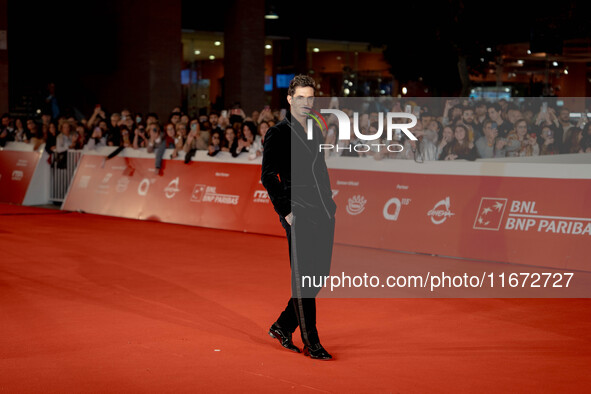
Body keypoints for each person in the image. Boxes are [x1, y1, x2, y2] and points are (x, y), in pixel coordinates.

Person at [261, 75, 337, 360]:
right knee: (305, 279)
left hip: (323, 211)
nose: (307, 103)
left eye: (311, 98)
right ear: (290, 99)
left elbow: (321, 169)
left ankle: (282, 325)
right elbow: (268, 177)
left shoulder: (315, 128)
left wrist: (329, 202)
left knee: (319, 276)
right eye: (301, 97)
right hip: (299, 212)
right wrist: (287, 212)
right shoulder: (277, 133)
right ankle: (311, 341)